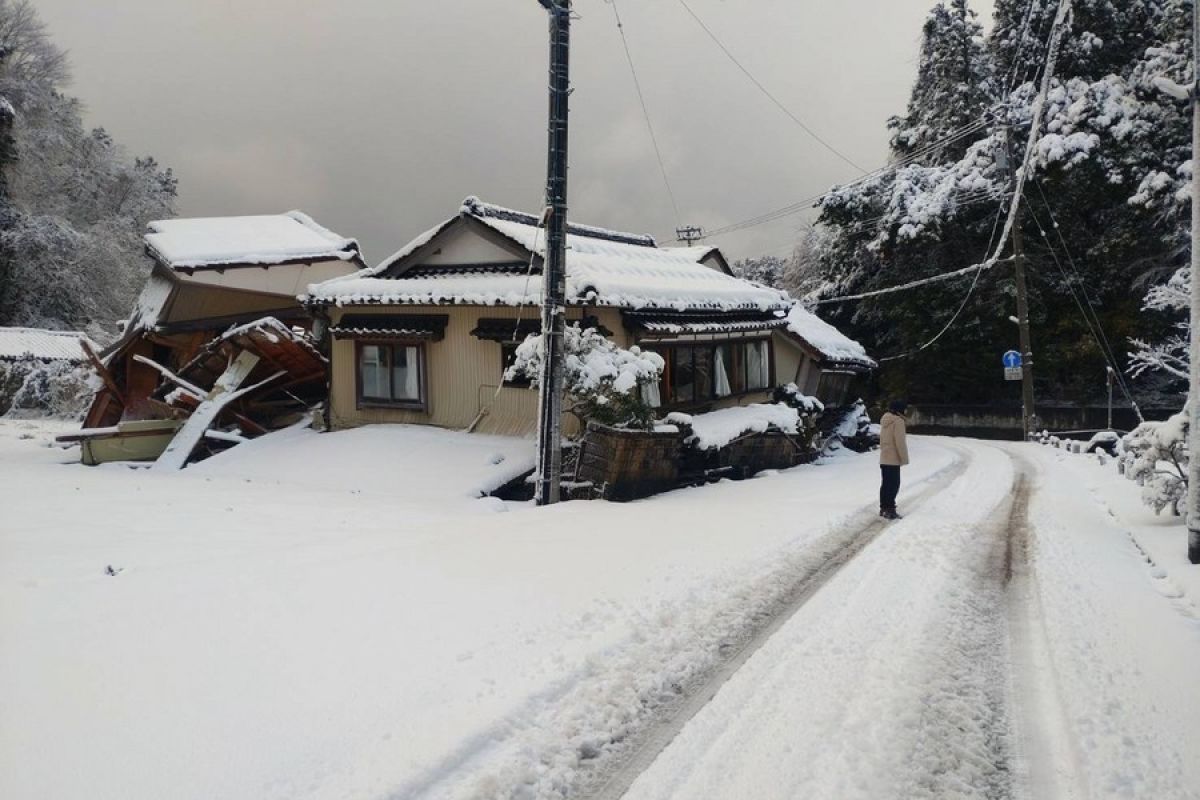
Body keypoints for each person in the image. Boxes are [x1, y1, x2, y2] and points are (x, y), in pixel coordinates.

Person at [879, 399, 909, 519]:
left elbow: (881, 440)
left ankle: (884, 508)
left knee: (886, 484)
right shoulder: (898, 422)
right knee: (894, 484)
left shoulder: (885, 420)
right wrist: (904, 459)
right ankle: (890, 509)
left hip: (884, 458)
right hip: (893, 459)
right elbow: (900, 442)